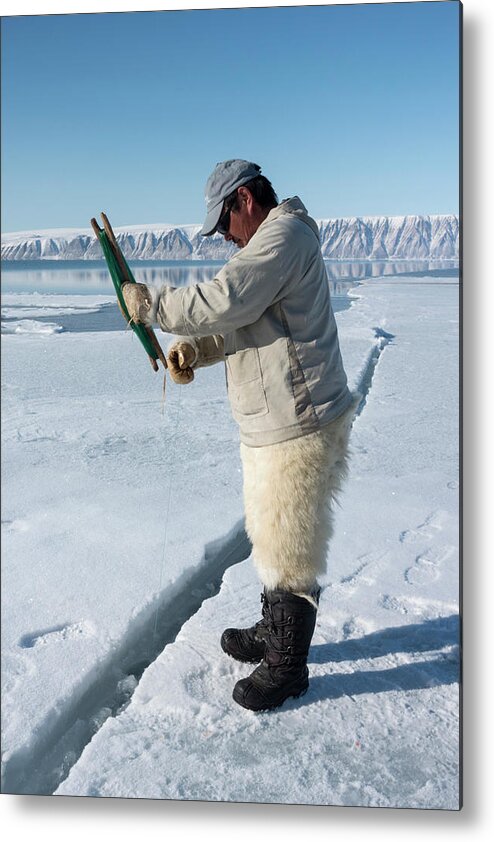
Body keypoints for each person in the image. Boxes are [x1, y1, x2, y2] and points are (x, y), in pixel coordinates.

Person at [122, 159, 357, 712]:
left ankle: (287, 666)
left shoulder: (283, 238)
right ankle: (276, 629)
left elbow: (228, 299)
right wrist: (194, 351)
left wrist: (153, 306)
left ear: (245, 200)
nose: (225, 236)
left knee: (290, 545)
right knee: (272, 530)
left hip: (299, 419)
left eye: (224, 223)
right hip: (274, 420)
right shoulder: (267, 246)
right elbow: (243, 326)